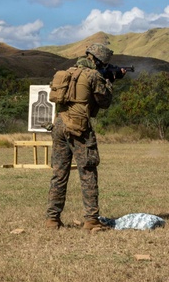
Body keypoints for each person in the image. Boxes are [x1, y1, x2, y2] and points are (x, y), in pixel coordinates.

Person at [46, 43, 116, 232]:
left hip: (59, 124)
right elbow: (104, 102)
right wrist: (110, 81)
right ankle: (91, 220)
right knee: (88, 172)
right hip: (79, 127)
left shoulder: (68, 72)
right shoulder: (93, 75)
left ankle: (52, 219)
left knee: (59, 174)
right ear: (99, 60)